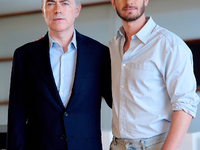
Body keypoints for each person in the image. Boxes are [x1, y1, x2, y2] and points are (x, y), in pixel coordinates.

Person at [6, 0, 112, 149]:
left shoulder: (100, 53)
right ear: (43, 11)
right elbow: (16, 117)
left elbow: (118, 103)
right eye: (50, 4)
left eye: (65, 3)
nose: (58, 10)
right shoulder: (24, 56)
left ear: (77, 10)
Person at [108, 0, 200, 150]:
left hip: (155, 145)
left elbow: (185, 105)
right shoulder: (113, 46)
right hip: (118, 144)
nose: (129, 1)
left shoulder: (170, 45)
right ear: (113, 2)